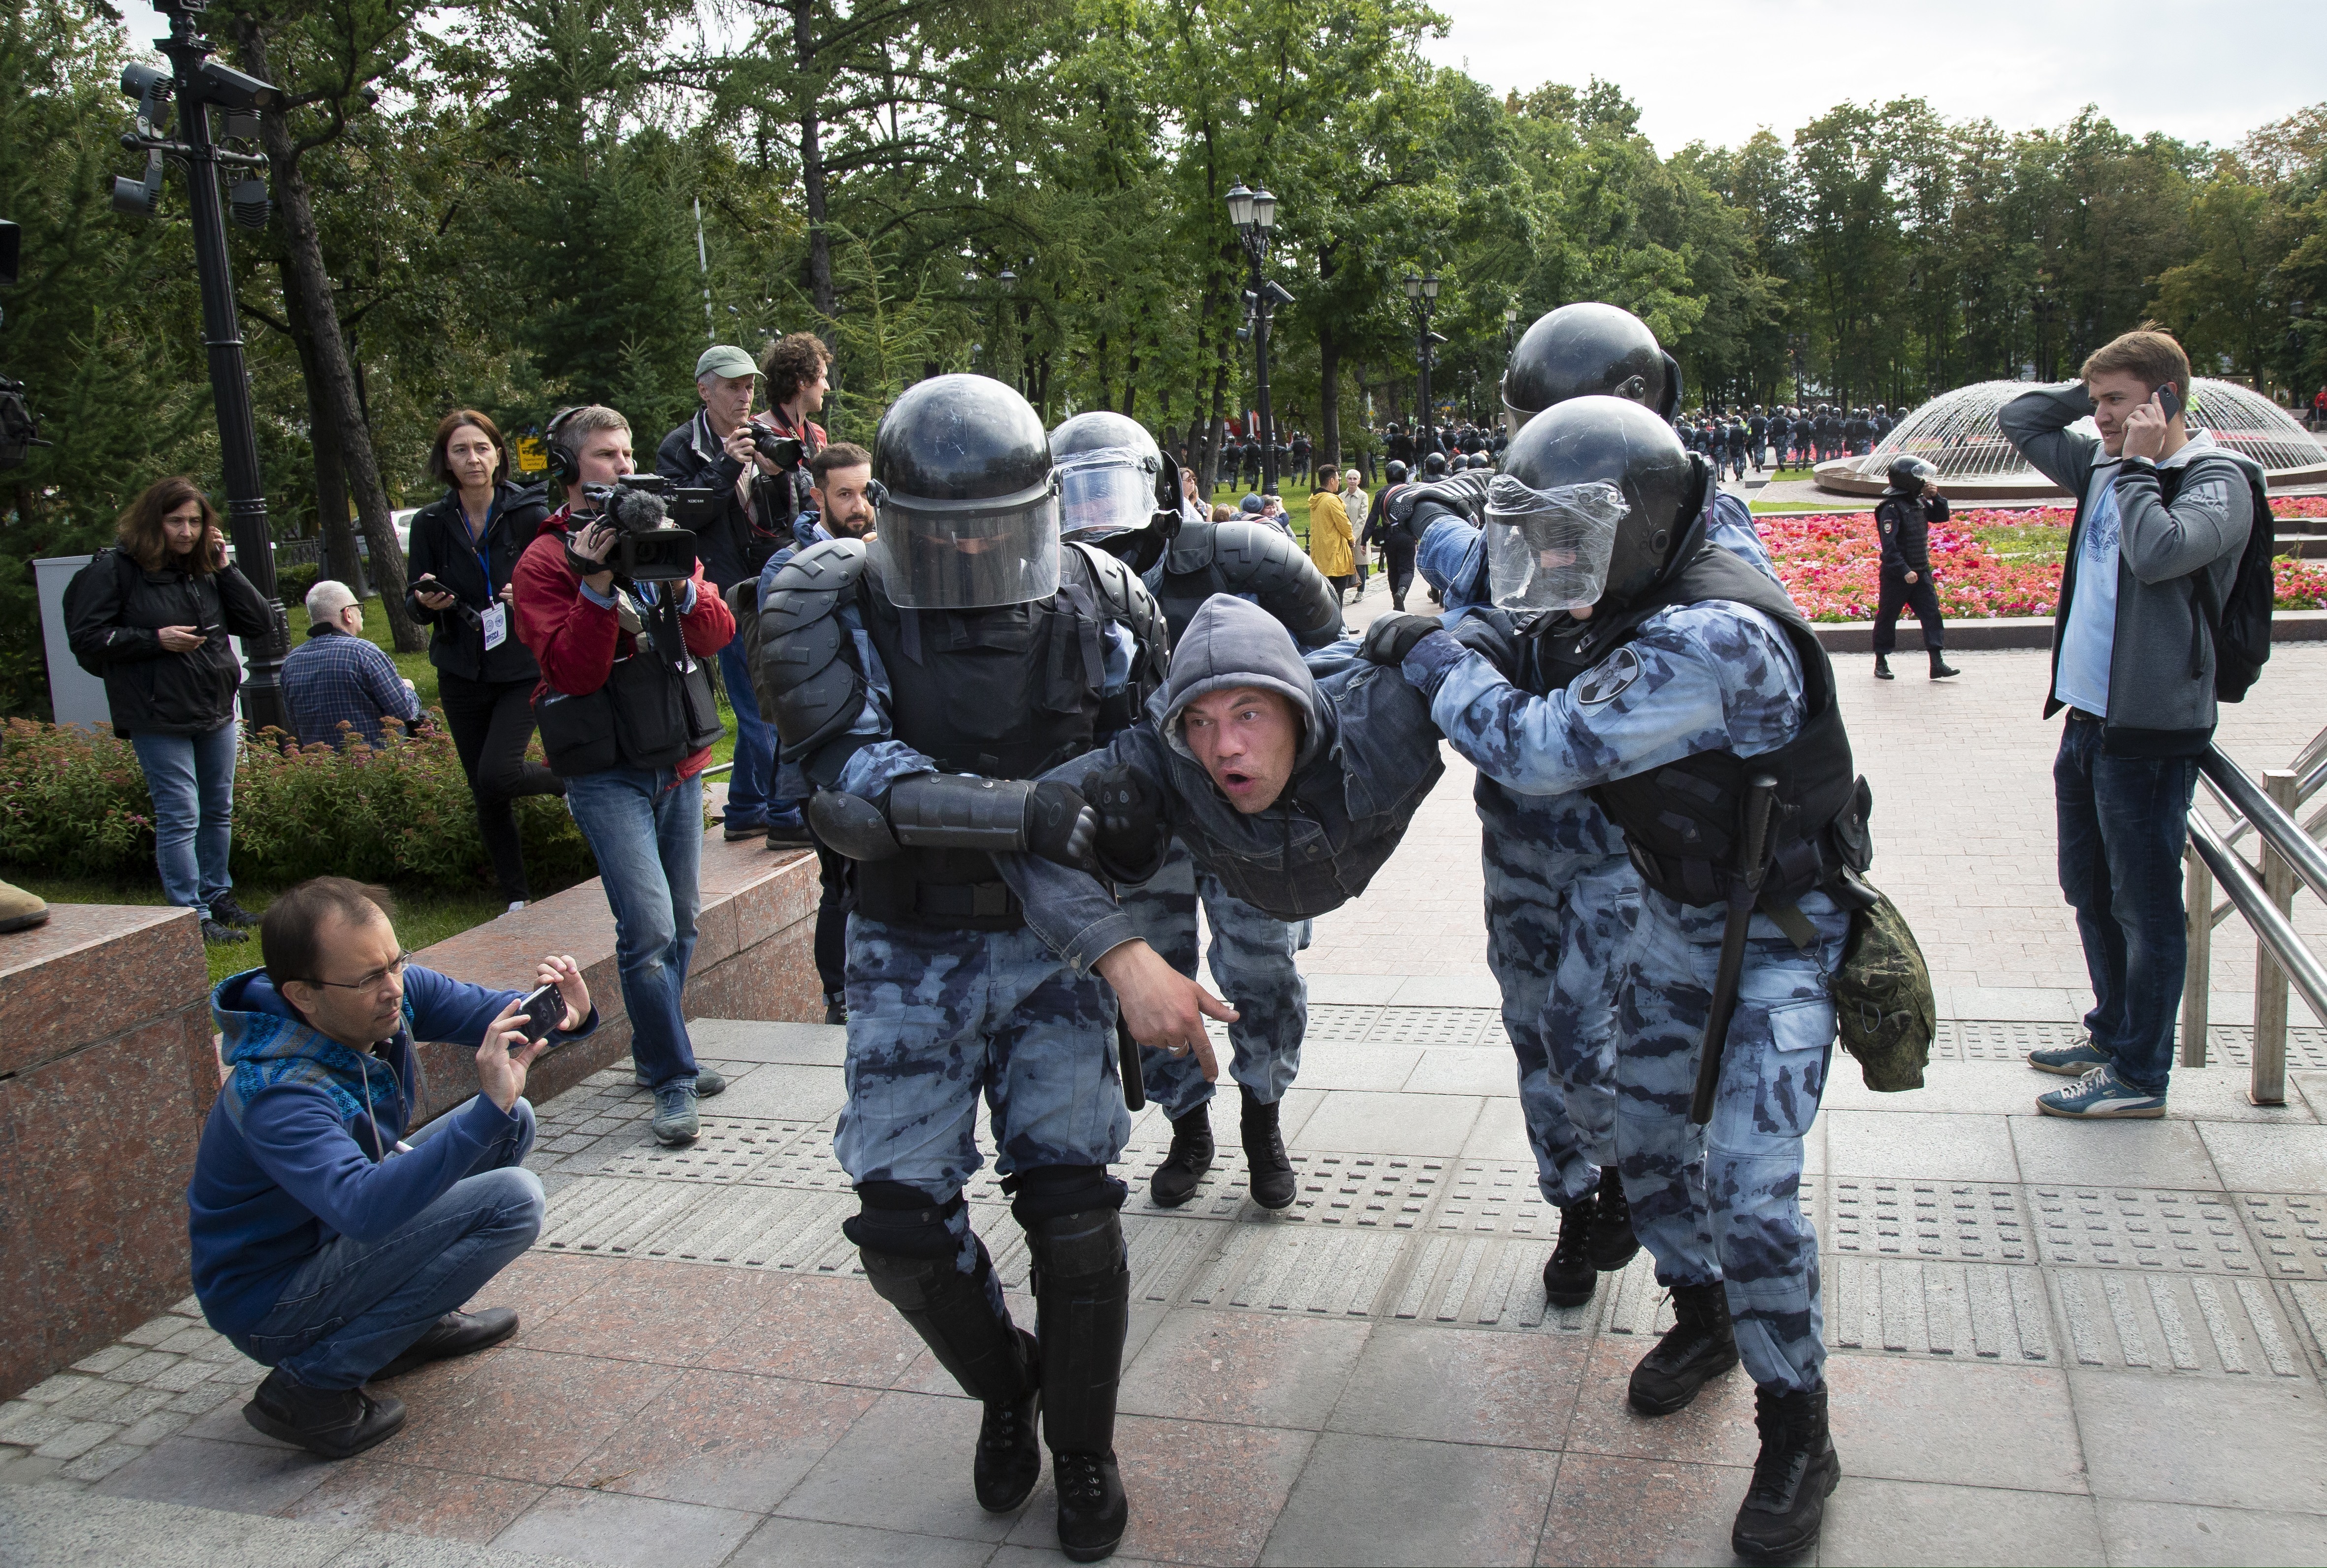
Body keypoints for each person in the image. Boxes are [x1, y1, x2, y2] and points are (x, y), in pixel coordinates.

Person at [1369, 391, 1876, 1561]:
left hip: (1777, 945)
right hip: (1678, 924)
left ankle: (1797, 1427)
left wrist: (1443, 656)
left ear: (1640, 527)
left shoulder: (1712, 638)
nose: (1558, 566)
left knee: (1748, 1186)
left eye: (1577, 541)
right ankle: (1702, 1312)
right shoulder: (1692, 528)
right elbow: (1507, 578)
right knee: (1644, 1146)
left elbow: (1538, 750)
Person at [757, 374, 1175, 1562]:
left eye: (995, 520)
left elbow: (1145, 775)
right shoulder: (828, 599)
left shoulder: (1104, 598)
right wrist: (1032, 810)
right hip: (908, 943)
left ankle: (1085, 1448)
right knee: (896, 1219)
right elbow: (846, 789)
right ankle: (1008, 1386)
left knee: (1074, 1211)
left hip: (1054, 945)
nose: (974, 548)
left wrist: (1127, 822)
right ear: (890, 520)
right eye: (943, 531)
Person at [1044, 411, 1340, 1214]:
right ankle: (1189, 1125)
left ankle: (1263, 1122)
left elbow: (1320, 634)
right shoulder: (1057, 578)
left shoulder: (1220, 560)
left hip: (1241, 810)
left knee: (1264, 973)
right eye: (1081, 494)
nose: (1101, 517)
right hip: (1144, 817)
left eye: (1114, 489)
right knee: (1157, 971)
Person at [193, 876, 596, 1458]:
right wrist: (486, 1109)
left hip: (335, 1240)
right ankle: (307, 1386)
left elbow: (497, 1016)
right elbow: (364, 1207)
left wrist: (567, 1015)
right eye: (368, 978)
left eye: (396, 962)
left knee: (517, 1119)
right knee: (512, 1198)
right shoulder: (278, 1093)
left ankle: (407, 1325)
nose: (393, 989)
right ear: (302, 994)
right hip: (273, 1300)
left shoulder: (388, 995)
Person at [2001, 327, 2262, 1119]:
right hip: (2087, 720)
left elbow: (2157, 554)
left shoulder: (2214, 480)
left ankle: (2141, 1075)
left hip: (2151, 732)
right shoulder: (2100, 459)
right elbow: (2019, 419)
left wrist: (2141, 463)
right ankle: (2113, 1031)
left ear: (2165, 398)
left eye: (2116, 400)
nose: (2100, 418)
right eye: (2097, 402)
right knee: (2087, 886)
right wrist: (2091, 403)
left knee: (2144, 906)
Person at [512, 405, 735, 1146]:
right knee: (647, 929)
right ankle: (672, 1079)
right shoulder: (545, 560)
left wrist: (677, 587)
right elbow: (570, 672)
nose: (623, 464)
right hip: (606, 771)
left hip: (675, 757)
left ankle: (653, 1051)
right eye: (607, 455)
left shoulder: (662, 537)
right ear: (573, 468)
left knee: (683, 923)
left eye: (629, 450)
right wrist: (596, 586)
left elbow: (716, 635)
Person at [65, 476, 275, 946]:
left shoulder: (205, 568)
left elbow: (260, 622)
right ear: (153, 520)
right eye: (176, 521)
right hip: (156, 712)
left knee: (217, 808)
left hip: (214, 706)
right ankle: (191, 913)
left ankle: (218, 896)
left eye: (196, 522)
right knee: (181, 812)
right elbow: (87, 637)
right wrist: (155, 639)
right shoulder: (117, 569)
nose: (186, 531)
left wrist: (226, 567)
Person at [405, 410, 564, 911]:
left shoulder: (527, 512)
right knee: (485, 790)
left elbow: (561, 581)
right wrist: (424, 603)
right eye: (460, 450)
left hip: (519, 665)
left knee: (499, 773)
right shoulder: (431, 522)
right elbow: (412, 598)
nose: (472, 459)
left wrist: (530, 596)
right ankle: (516, 896)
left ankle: (569, 779)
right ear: (446, 461)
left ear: (498, 454)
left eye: (481, 448)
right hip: (461, 666)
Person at [654, 345, 808, 849]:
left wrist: (773, 473)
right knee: (761, 706)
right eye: (732, 387)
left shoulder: (762, 435)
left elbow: (787, 516)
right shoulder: (680, 447)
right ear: (705, 390)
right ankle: (784, 809)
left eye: (748, 386)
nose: (744, 397)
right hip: (718, 593)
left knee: (763, 697)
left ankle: (744, 806)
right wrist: (726, 465)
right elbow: (680, 517)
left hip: (768, 583)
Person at [281, 580, 421, 748]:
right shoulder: (365, 653)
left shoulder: (291, 662)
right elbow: (405, 711)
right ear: (348, 614)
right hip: (377, 764)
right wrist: (407, 688)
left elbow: (295, 723)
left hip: (321, 767)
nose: (360, 613)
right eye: (358, 608)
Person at [1871, 456, 1959, 681]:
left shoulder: (1918, 503)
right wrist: (1904, 571)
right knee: (1888, 617)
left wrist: (1936, 497)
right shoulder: (1890, 508)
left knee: (1932, 615)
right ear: (1908, 480)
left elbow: (1942, 517)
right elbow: (1889, 548)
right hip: (1898, 576)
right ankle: (1881, 661)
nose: (1923, 480)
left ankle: (1937, 663)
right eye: (1918, 476)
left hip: (1921, 571)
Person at [1365, 458, 1419, 610]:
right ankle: (1401, 593)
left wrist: (1364, 539)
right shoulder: (1411, 491)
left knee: (1393, 570)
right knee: (1408, 570)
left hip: (1389, 537)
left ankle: (1395, 596)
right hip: (1408, 536)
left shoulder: (1382, 492)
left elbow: (1373, 518)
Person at [1307, 464, 1357, 604]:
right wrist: (1351, 538)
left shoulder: (1316, 500)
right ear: (1331, 481)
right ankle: (1338, 624)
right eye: (1338, 479)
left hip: (1321, 554)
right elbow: (1345, 524)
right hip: (1335, 554)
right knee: (1337, 593)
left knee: (1326, 594)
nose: (1339, 482)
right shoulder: (1332, 500)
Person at [1343, 468, 1369, 593]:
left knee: (1360, 564)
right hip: (1344, 536)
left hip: (1359, 536)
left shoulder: (1363, 496)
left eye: (1355, 479)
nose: (1352, 481)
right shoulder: (1341, 497)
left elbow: (1363, 518)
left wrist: (1353, 536)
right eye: (1350, 479)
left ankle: (1361, 592)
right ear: (1346, 480)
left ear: (1359, 481)